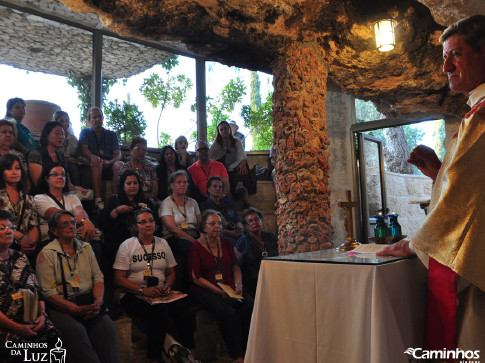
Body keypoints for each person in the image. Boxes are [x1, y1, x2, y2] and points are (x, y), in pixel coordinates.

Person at [377, 15, 485, 353]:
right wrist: (439, 171)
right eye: (444, 57)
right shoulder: (474, 115)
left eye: (456, 54)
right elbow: (473, 189)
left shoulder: (481, 119)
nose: (445, 68)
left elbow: (467, 198)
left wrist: (416, 244)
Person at [113, 208, 195, 363]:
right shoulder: (127, 245)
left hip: (160, 293)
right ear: (135, 226)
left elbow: (171, 272)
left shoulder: (163, 243)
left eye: (150, 221)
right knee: (160, 312)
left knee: (182, 309)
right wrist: (142, 290)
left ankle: (191, 354)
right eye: (143, 222)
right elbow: (119, 279)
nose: (148, 224)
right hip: (133, 294)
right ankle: (154, 358)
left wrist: (168, 286)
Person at [36, 210, 118, 363]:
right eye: (65, 224)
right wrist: (74, 309)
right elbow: (48, 292)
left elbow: (98, 278)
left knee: (107, 328)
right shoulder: (47, 253)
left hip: (88, 301)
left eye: (73, 223)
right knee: (75, 330)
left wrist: (98, 301)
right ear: (54, 231)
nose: (71, 226)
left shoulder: (86, 248)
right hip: (62, 305)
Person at [188, 210, 253, 363]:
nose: (217, 227)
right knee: (227, 312)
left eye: (219, 223)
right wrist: (218, 291)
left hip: (228, 285)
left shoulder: (225, 243)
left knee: (248, 306)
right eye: (212, 223)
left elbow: (235, 267)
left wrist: (238, 285)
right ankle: (236, 355)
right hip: (206, 288)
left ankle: (249, 348)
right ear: (204, 227)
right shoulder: (196, 247)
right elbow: (196, 278)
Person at [0, 210, 57, 362]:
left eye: (11, 227)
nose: (8, 231)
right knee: (19, 348)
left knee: (53, 337)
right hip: (6, 325)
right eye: (2, 228)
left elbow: (36, 289)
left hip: (32, 319)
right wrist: (16, 327)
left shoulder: (20, 256)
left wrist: (42, 315)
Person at [34, 163, 96, 247]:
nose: (60, 177)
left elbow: (81, 213)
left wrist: (85, 222)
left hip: (74, 235)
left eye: (63, 175)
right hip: (51, 239)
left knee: (91, 239)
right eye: (55, 174)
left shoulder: (72, 197)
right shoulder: (40, 198)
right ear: (46, 179)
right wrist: (83, 221)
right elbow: (59, 217)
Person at [160, 170, 201, 290]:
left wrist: (201, 238)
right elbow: (171, 228)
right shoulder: (166, 203)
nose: (182, 184)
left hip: (193, 234)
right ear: (172, 185)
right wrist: (192, 240)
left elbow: (200, 223)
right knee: (190, 248)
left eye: (185, 182)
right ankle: (192, 284)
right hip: (174, 237)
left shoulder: (193, 202)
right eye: (179, 182)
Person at [79, 107, 122, 210]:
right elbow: (83, 149)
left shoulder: (112, 134)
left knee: (119, 164)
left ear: (103, 118)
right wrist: (93, 156)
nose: (97, 119)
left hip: (109, 161)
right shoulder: (85, 132)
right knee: (97, 161)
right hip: (93, 161)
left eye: (99, 117)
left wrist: (110, 161)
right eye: (94, 117)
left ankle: (115, 197)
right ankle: (98, 200)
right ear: (89, 120)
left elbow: (118, 154)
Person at [0, 154, 39, 262]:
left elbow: (34, 225)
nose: (14, 172)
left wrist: (30, 244)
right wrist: (20, 237)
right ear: (2, 172)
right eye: (9, 168)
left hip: (25, 249)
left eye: (17, 168)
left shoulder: (29, 199)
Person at [234, 207, 278, 297]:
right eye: (250, 221)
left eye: (256, 219)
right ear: (245, 226)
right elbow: (235, 265)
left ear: (261, 220)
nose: (254, 222)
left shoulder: (271, 236)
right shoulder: (243, 241)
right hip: (253, 282)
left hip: (274, 278)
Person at [200, 176, 243, 246]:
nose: (218, 189)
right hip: (219, 233)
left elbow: (236, 219)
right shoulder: (205, 206)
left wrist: (240, 229)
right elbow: (209, 227)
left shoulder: (228, 202)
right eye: (214, 186)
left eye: (220, 187)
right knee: (231, 242)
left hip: (234, 230)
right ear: (208, 189)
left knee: (247, 239)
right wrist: (230, 232)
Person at [54, 110, 89, 188]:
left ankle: (86, 196)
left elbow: (78, 153)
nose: (65, 123)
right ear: (55, 122)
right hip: (59, 162)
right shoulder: (53, 137)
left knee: (86, 169)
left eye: (67, 120)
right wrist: (65, 159)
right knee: (72, 168)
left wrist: (79, 160)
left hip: (73, 162)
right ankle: (73, 193)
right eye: (61, 121)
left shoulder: (73, 138)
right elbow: (51, 153)